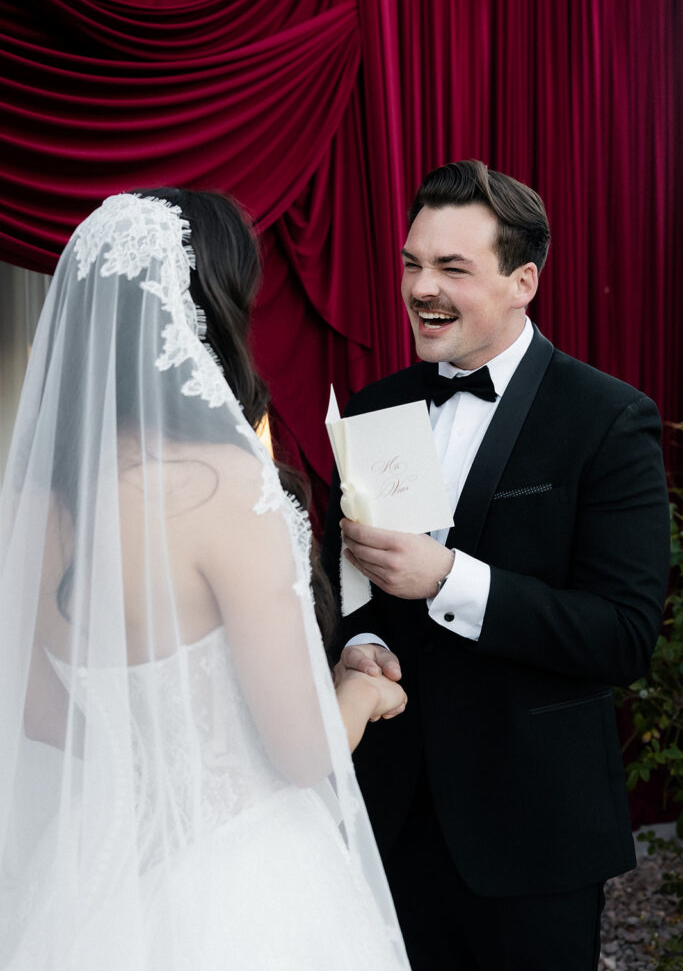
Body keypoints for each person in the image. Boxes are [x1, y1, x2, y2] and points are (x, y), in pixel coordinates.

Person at [0, 189, 412, 970]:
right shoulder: (224, 487)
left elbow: (39, 710)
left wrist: (157, 760)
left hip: (101, 876)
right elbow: (297, 752)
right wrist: (365, 693)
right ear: (204, 314)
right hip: (242, 880)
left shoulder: (32, 500)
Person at [324, 160, 671, 970]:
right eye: (411, 263)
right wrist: (354, 642)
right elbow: (350, 584)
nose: (419, 287)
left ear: (523, 281)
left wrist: (449, 581)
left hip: (533, 833)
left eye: (451, 267)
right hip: (387, 820)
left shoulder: (607, 418)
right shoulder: (373, 406)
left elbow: (621, 637)